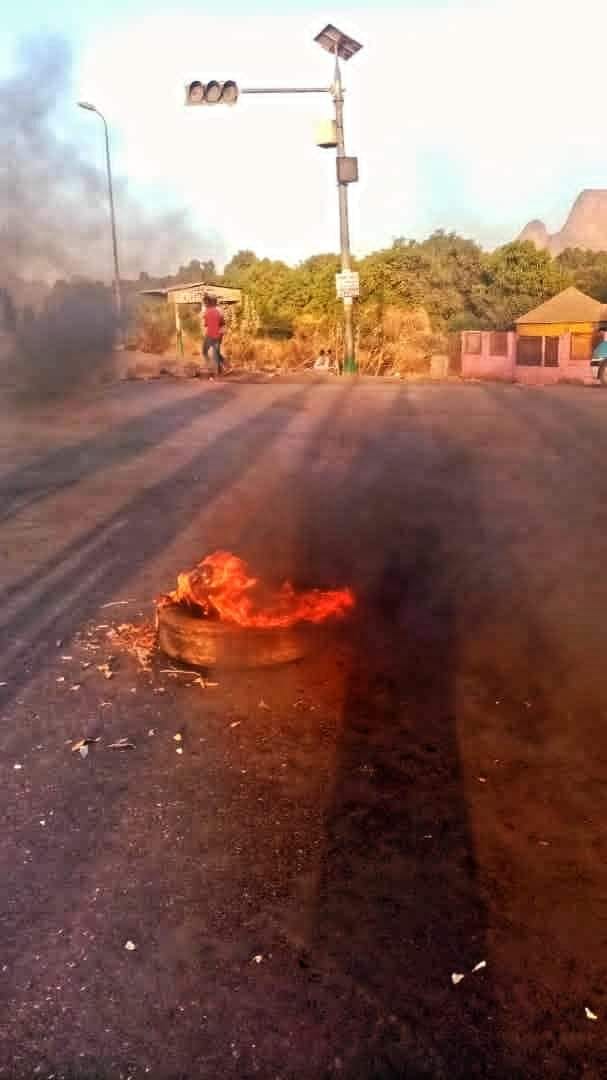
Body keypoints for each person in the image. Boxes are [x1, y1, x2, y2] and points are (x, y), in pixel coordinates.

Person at [202, 294, 225, 376]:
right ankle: (221, 367)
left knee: (210, 352)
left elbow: (206, 324)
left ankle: (213, 368)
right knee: (216, 352)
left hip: (213, 334)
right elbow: (222, 322)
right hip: (217, 333)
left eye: (205, 302)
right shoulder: (217, 310)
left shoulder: (210, 310)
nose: (205, 304)